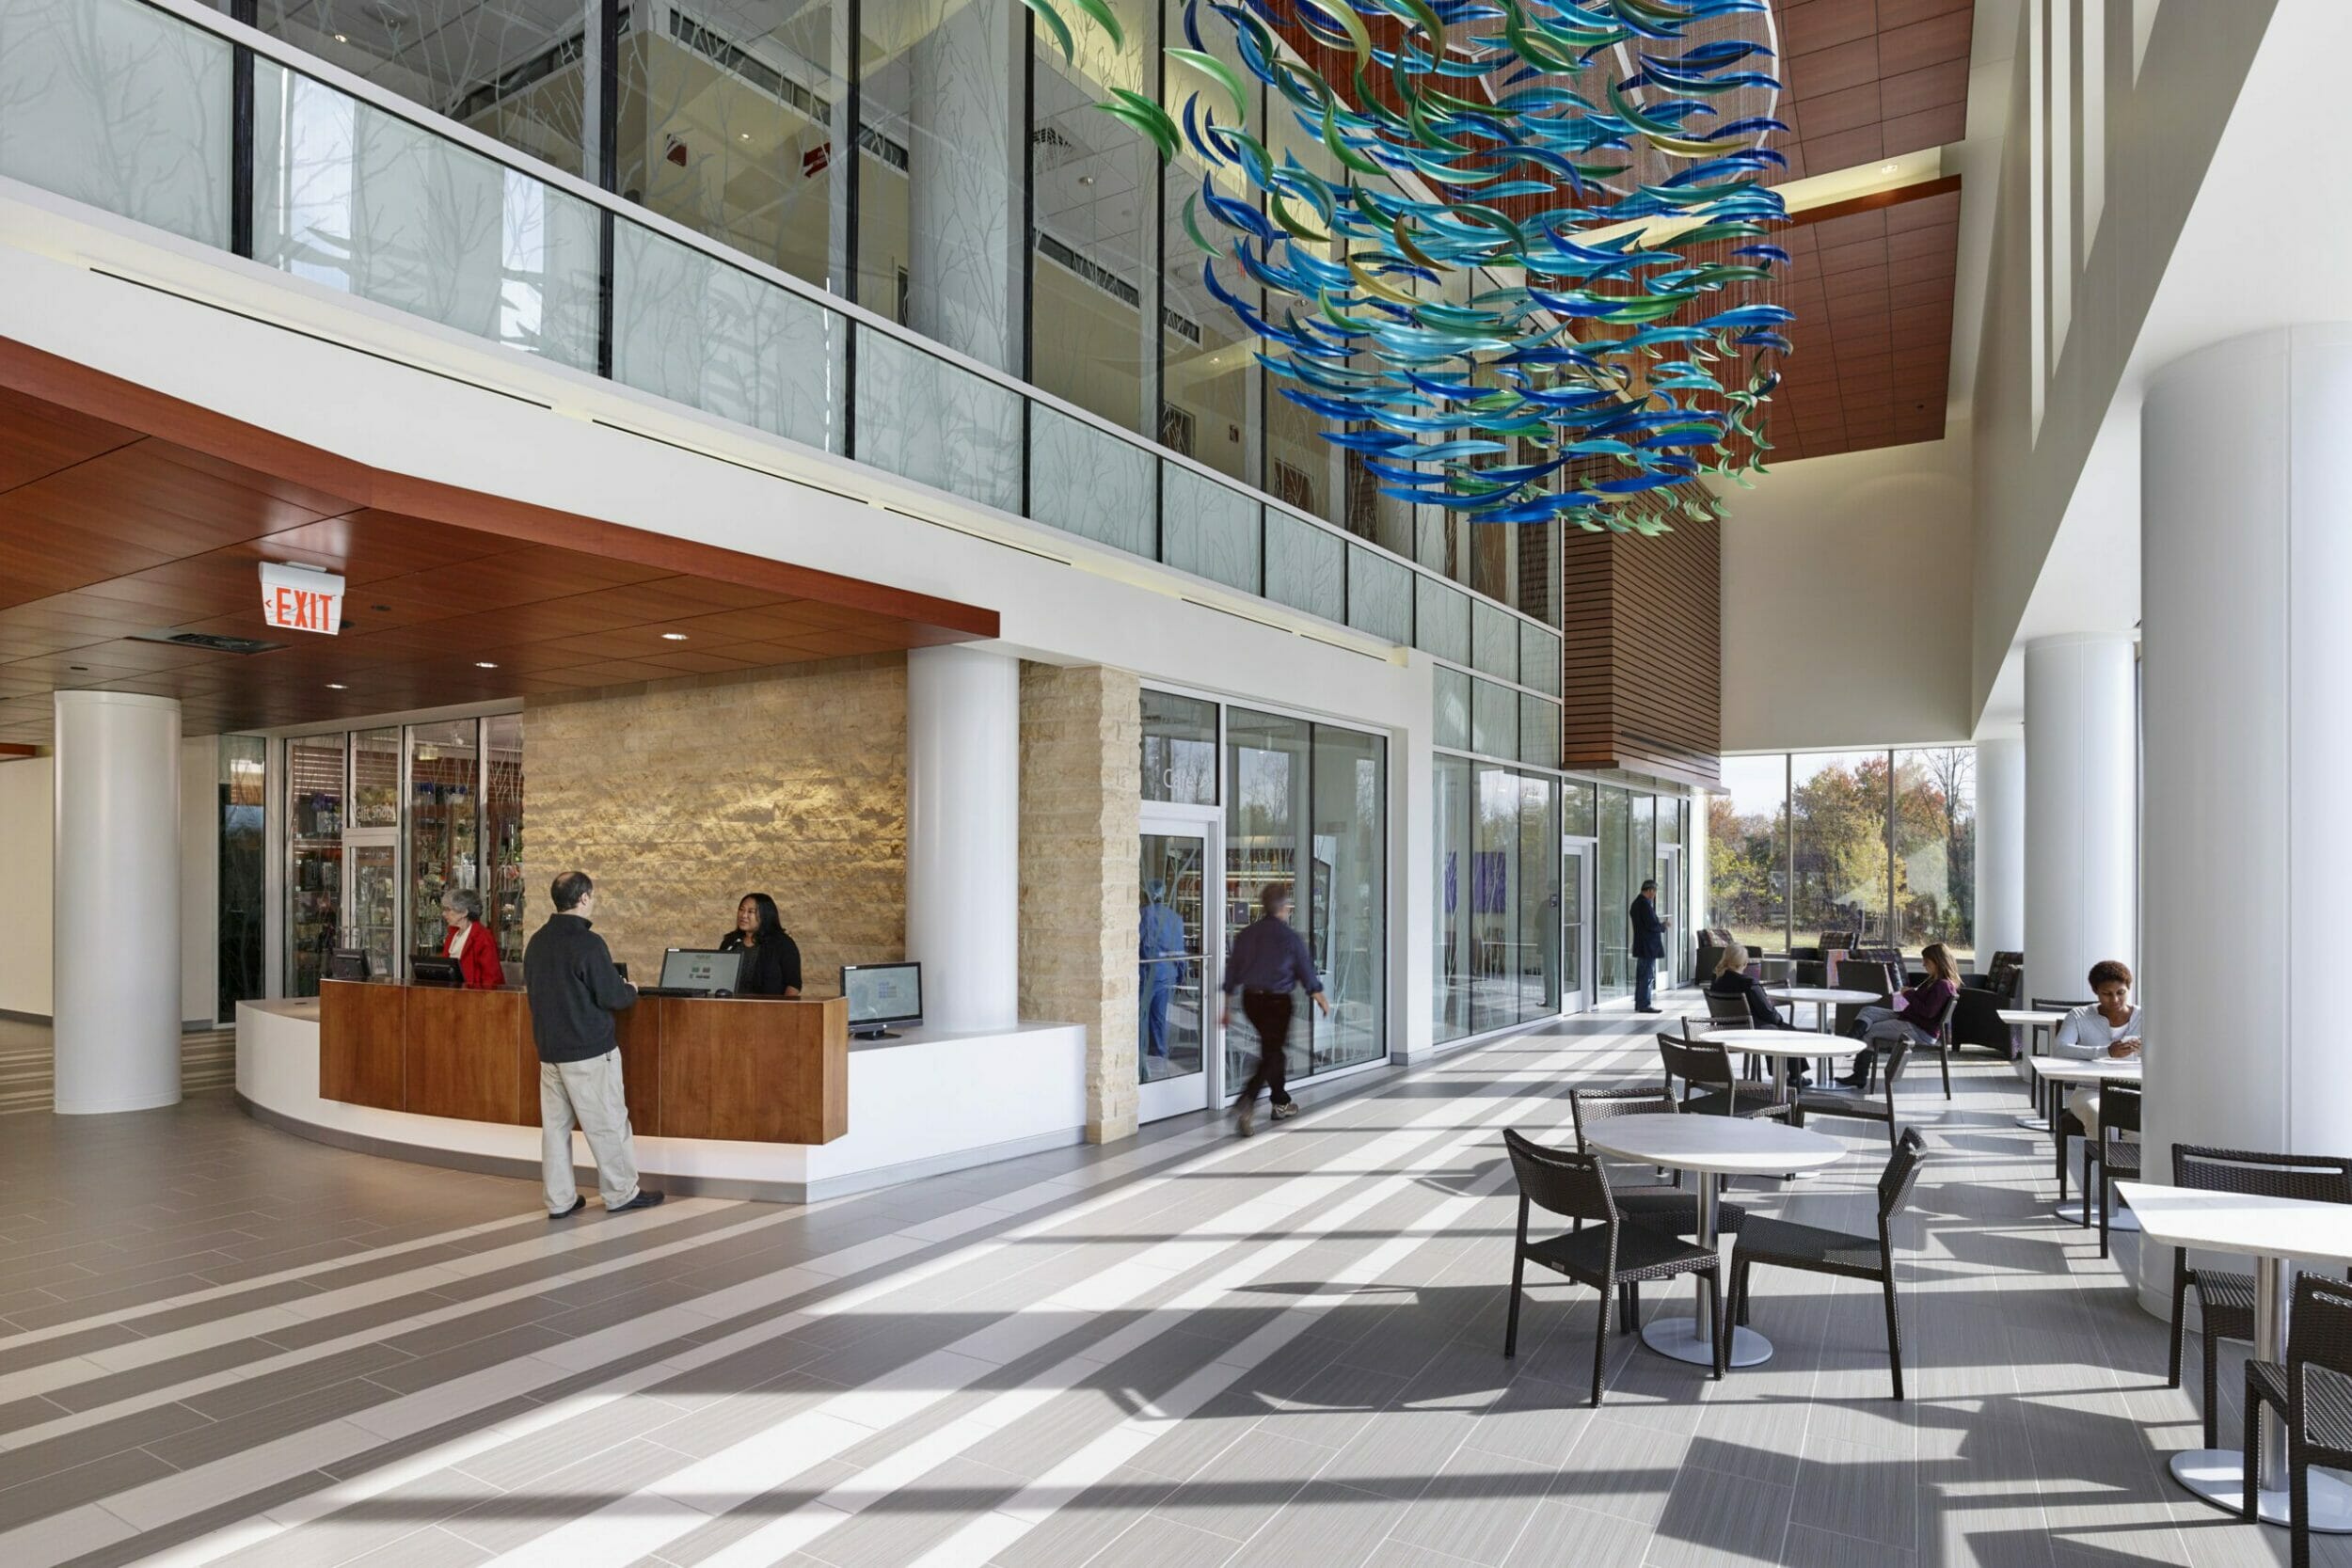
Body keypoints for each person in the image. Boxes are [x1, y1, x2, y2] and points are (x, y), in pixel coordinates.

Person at [522, 871, 663, 1220]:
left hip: (550, 1052)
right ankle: (620, 1193)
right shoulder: (588, 943)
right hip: (588, 1051)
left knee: (555, 1130)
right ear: (584, 897)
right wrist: (630, 988)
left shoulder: (537, 942)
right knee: (608, 1123)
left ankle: (560, 1200)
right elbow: (614, 997)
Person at [1221, 881, 1330, 1135]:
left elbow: (1232, 972)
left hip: (1251, 1001)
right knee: (1272, 1052)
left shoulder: (1246, 934)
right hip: (1277, 1002)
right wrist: (1320, 996)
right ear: (1284, 908)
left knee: (1273, 1050)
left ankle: (1280, 1102)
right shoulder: (1289, 937)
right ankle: (1246, 1100)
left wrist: (1226, 1007)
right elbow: (1305, 970)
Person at [1836, 942, 1961, 1088]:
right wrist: (1912, 993)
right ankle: (1852, 1040)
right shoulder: (1934, 981)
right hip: (1909, 1019)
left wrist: (1909, 994)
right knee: (1868, 1010)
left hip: (1919, 1030)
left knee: (1869, 1032)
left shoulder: (1943, 985)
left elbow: (1928, 1012)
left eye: (1926, 961)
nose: (1923, 965)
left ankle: (1859, 1075)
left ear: (1938, 962)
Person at [2053, 958, 2143, 1139]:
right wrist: (2106, 1051)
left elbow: (2166, 1054)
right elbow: (2060, 1049)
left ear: (2129, 988)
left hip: (2136, 1091)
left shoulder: (2145, 1016)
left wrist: (2144, 1050)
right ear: (2095, 991)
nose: (2115, 999)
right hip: (2090, 1090)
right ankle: (2104, 1167)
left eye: (2121, 992)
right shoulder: (2079, 1015)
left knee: (2139, 1125)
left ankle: (2127, 1167)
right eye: (2107, 994)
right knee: (2099, 1116)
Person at [1707, 942, 1808, 1088]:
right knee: (1787, 1030)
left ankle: (1792, 1075)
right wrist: (1779, 1019)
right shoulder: (1749, 983)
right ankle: (1794, 1077)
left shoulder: (1716, 979)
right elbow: (1768, 1012)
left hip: (1726, 1029)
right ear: (1745, 963)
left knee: (1778, 1029)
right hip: (1749, 1030)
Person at [718, 892, 803, 998]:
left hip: (768, 1010)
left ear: (765, 915)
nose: (743, 915)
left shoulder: (782, 943)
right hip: (729, 1008)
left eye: (751, 912)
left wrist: (783, 1009)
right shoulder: (730, 942)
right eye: (741, 910)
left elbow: (793, 985)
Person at [1138, 879, 1184, 1061]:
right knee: (1159, 1016)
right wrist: (1181, 973)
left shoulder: (1142, 915)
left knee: (1141, 1014)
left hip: (1147, 973)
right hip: (1167, 974)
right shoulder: (1174, 917)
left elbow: (1136, 942)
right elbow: (1179, 949)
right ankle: (1159, 1051)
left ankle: (1140, 1051)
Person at [438, 885, 503, 990]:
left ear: (464, 912)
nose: (444, 914)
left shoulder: (483, 938)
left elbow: (492, 979)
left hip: (475, 998)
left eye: (448, 910)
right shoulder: (452, 935)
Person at [1629, 878, 1667, 1013]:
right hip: (1647, 946)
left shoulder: (1637, 903)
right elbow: (1651, 925)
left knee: (1642, 975)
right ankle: (1644, 1004)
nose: (1655, 894)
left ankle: (1640, 1004)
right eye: (1654, 891)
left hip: (1642, 945)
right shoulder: (1644, 905)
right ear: (1650, 891)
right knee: (1647, 976)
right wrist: (1663, 926)